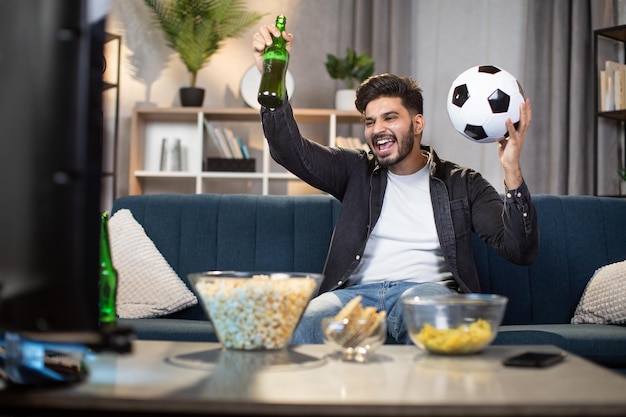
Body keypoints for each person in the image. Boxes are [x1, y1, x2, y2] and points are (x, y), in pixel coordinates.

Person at [252, 24, 539, 344]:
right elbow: (288, 150)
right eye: (370, 121)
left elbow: (519, 250)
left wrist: (511, 167)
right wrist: (271, 75)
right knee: (299, 329)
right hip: (352, 298)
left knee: (440, 327)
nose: (377, 129)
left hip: (426, 294)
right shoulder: (353, 169)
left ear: (417, 124)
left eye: (390, 118)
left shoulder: (462, 184)